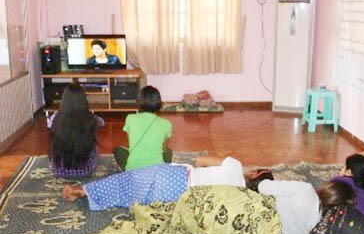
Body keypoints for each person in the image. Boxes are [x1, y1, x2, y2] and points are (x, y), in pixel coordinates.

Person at [249, 154, 364, 234]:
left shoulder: (337, 182)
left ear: (349, 172)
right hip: (355, 233)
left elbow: (262, 186)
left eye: (343, 167)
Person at [62, 156, 246, 210]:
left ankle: (83, 190)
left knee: (126, 180)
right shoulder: (242, 199)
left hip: (176, 178)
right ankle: (124, 200)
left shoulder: (236, 166)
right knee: (130, 198)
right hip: (179, 200)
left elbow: (199, 161)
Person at [48, 85, 104, 179]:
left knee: (56, 139)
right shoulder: (90, 118)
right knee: (94, 140)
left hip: (58, 172)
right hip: (86, 171)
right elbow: (102, 123)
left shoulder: (56, 117)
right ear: (84, 100)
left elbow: (49, 125)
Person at [113, 86, 173, 171]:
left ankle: (125, 171)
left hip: (132, 170)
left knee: (117, 150)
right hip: (157, 171)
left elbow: (130, 139)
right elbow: (164, 148)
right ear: (159, 103)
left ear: (139, 102)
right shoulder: (167, 124)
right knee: (168, 152)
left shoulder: (130, 118)